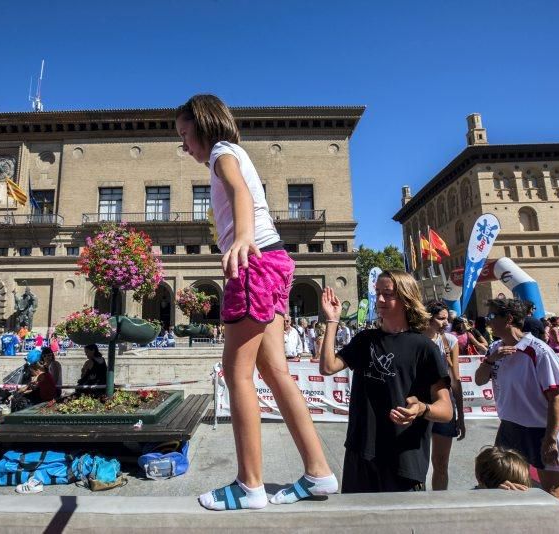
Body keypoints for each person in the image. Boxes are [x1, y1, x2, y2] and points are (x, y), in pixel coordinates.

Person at [176, 94, 337, 510]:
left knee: (236, 372)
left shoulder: (221, 154)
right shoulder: (233, 152)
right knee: (274, 370)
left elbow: (240, 191)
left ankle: (249, 486)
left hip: (257, 259)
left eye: (185, 135)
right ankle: (319, 473)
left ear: (204, 125)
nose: (184, 145)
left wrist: (244, 238)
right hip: (276, 258)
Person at [319, 270, 453, 493]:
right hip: (361, 450)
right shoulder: (364, 340)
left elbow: (446, 410)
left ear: (406, 298)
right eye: (377, 292)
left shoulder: (424, 347)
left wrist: (421, 408)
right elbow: (328, 367)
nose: (379, 299)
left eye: (387, 294)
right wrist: (332, 320)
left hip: (404, 457)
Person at [474, 298, 559, 533]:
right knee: (500, 484)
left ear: (509, 319)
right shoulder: (494, 348)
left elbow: (556, 398)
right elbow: (479, 379)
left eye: (492, 317)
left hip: (541, 429)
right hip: (510, 426)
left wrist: (550, 438)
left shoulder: (539, 351)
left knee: (554, 491)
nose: (488, 322)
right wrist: (491, 360)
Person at [424, 301, 466, 490]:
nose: (445, 323)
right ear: (428, 318)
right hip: (419, 404)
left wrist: (461, 416)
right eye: (440, 319)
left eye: (447, 319)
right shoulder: (415, 339)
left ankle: (439, 503)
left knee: (441, 464)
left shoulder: (450, 341)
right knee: (416, 462)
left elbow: (455, 379)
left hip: (444, 405)